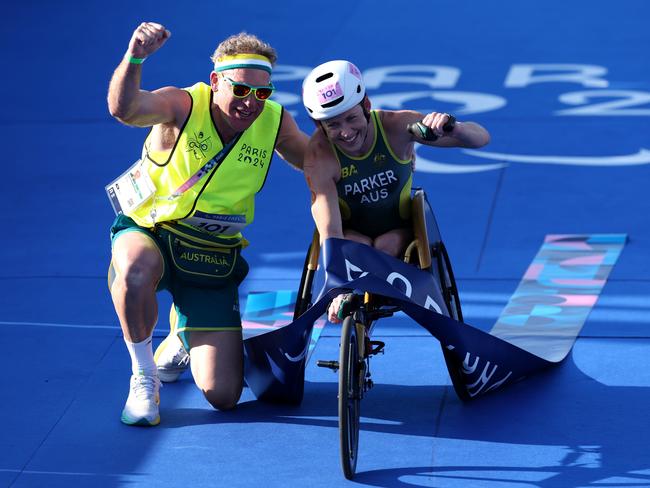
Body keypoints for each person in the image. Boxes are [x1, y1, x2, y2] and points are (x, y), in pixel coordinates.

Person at [107, 22, 308, 426]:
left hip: (210, 256)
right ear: (216, 81)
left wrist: (378, 139)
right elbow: (124, 109)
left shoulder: (274, 121)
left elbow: (315, 162)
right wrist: (135, 58)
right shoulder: (182, 105)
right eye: (242, 90)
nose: (252, 102)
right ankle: (144, 376)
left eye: (262, 92)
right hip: (152, 231)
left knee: (223, 395)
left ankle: (182, 331)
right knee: (133, 270)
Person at [301, 60, 490, 322]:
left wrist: (452, 127)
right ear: (317, 124)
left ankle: (364, 292)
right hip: (351, 237)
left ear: (366, 105)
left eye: (351, 118)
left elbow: (481, 138)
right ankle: (354, 301)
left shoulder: (397, 127)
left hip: (399, 232)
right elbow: (331, 231)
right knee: (360, 245)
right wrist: (337, 286)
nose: (345, 132)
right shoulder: (318, 156)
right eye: (332, 125)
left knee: (385, 244)